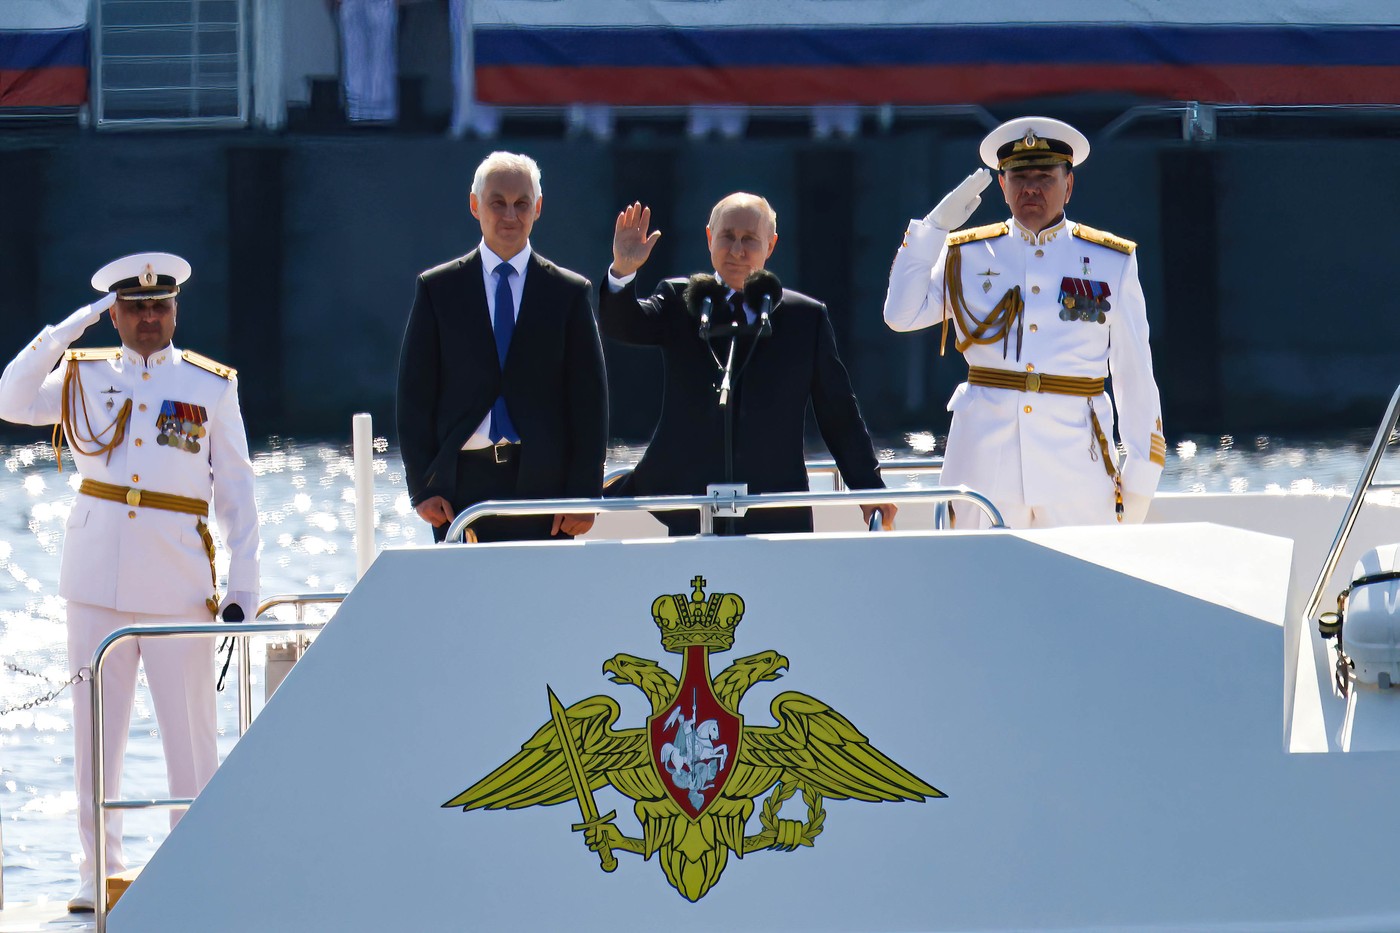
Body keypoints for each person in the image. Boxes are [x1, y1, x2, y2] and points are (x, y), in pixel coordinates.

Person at [0, 253, 259, 911]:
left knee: (191, 735)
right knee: (95, 732)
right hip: (96, 577)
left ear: (175, 310)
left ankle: (192, 863)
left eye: (160, 306)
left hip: (178, 579)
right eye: (135, 308)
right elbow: (9, 399)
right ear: (113, 315)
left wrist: (243, 588)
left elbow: (237, 492)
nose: (149, 318)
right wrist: (68, 329)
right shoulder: (82, 375)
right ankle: (99, 872)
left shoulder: (209, 386)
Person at [882, 116, 1165, 529]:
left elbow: (1134, 375)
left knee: (1079, 571)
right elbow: (900, 316)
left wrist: (1139, 479)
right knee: (978, 570)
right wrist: (932, 229)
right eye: (1018, 177)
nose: (1030, 188)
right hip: (984, 465)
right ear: (1002, 185)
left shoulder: (1111, 260)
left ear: (1069, 184)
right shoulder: (966, 254)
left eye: (1045, 177)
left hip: (1077, 466)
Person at [603, 193, 894, 535]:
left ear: (770, 245)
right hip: (691, 508)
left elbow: (838, 413)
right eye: (727, 237)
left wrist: (869, 489)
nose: (737, 250)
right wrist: (623, 271)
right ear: (709, 238)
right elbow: (624, 325)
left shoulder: (804, 318)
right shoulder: (680, 301)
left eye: (749, 240)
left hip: (776, 509)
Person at [397, 151, 608, 542]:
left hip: (548, 491)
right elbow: (415, 396)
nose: (510, 215)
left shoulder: (568, 292)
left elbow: (589, 402)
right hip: (459, 489)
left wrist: (585, 493)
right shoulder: (437, 289)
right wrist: (422, 487)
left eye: (521, 203)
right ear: (475, 205)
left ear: (538, 208)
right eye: (498, 203)